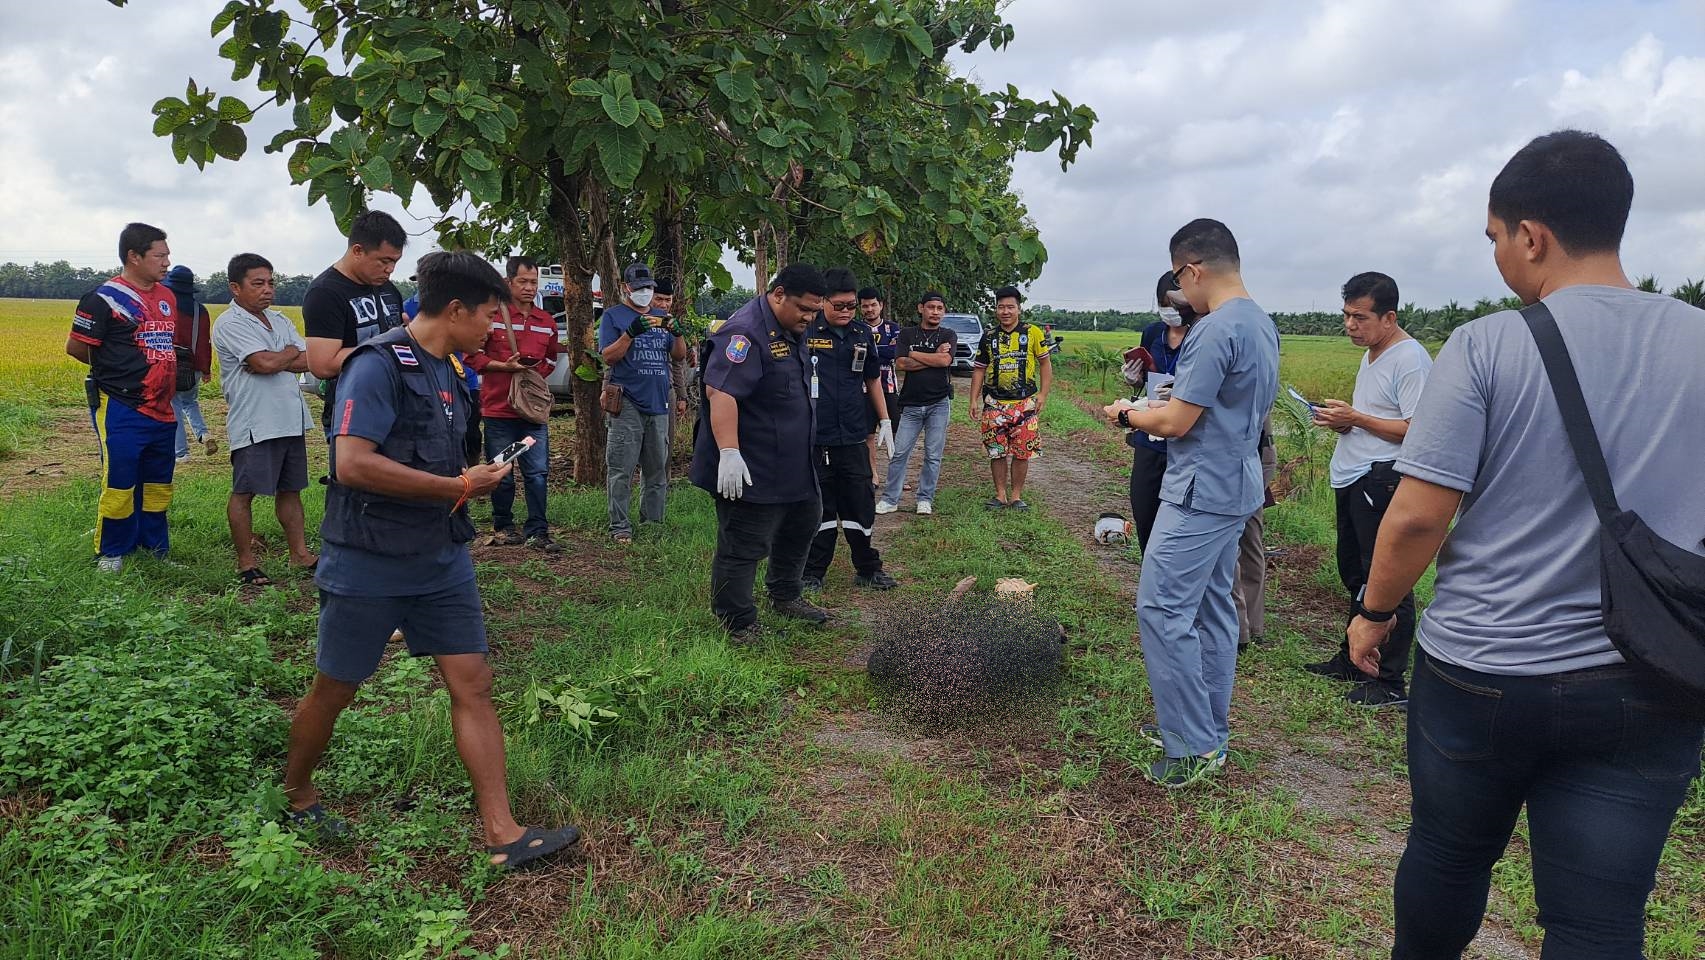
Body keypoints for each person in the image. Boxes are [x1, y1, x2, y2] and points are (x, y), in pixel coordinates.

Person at [1345, 130, 1705, 959]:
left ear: (1531, 235)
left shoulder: (1487, 343)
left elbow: (1414, 517)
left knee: (1445, 855)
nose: (1498, 254)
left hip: (1482, 669)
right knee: (1598, 920)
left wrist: (1373, 613)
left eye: (1495, 237)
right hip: (1651, 674)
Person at [284, 250, 581, 869]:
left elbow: (439, 462)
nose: (493, 331)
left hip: (440, 557)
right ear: (454, 309)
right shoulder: (376, 367)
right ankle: (295, 792)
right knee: (335, 688)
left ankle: (503, 833)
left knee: (473, 683)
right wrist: (457, 487)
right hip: (368, 557)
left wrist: (471, 480)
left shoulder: (449, 369)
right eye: (488, 318)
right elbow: (352, 463)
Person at [1102, 219, 1279, 788]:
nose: (1181, 293)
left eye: (1180, 280)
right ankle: (1207, 731)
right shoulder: (1261, 323)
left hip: (1200, 490)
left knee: (1161, 609)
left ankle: (1193, 744)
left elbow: (1176, 422)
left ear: (1192, 269)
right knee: (1210, 610)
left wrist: (1126, 413)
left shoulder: (1214, 328)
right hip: (1237, 483)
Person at [1305, 271, 1432, 706]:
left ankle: (1390, 681)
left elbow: (1418, 430)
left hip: (1382, 478)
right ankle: (1353, 658)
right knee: (1356, 574)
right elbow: (1380, 419)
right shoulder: (1373, 353)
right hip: (1354, 473)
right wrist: (1345, 422)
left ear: (1389, 317)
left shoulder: (1409, 359)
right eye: (1346, 315)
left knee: (1388, 579)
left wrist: (1357, 419)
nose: (1350, 325)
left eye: (1359, 317)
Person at [689, 264, 831, 644]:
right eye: (804, 308)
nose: (810, 317)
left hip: (792, 460)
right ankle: (735, 619)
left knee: (803, 522)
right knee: (744, 540)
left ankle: (785, 595)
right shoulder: (745, 332)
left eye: (815, 311)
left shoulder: (790, 327)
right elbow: (721, 393)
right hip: (752, 461)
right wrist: (730, 453)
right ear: (779, 293)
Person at [65, 222, 179, 572]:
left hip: (164, 408)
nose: (167, 262)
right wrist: (120, 370)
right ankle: (112, 552)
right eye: (160, 255)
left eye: (167, 255)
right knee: (119, 480)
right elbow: (77, 348)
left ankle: (155, 549)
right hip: (122, 406)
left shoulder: (167, 296)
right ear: (134, 256)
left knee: (159, 483)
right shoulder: (103, 299)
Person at [211, 253, 318, 585]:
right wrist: (284, 355)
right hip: (255, 421)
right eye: (258, 283)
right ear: (235, 287)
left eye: (271, 282)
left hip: (290, 418)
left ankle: (300, 554)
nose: (267, 289)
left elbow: (308, 361)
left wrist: (280, 357)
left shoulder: (281, 319)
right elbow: (263, 364)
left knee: (291, 489)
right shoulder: (230, 323)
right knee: (244, 491)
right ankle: (246, 562)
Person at [801, 268, 897, 592]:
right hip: (817, 436)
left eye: (851, 306)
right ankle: (812, 572)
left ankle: (868, 568)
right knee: (821, 508)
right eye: (838, 305)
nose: (845, 312)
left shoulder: (861, 334)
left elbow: (872, 379)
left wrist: (883, 420)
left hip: (854, 434)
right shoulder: (806, 331)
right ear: (823, 301)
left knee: (860, 504)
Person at [468, 256, 562, 552]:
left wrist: (530, 377)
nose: (529, 287)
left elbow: (550, 358)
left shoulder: (546, 322)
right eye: (523, 281)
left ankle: (538, 529)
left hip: (532, 412)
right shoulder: (492, 317)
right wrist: (503, 367)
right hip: (498, 410)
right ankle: (504, 525)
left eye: (533, 282)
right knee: (501, 471)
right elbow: (473, 356)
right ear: (508, 282)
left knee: (537, 472)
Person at [599, 262, 688, 545]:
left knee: (657, 470)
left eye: (648, 288)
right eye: (639, 289)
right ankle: (620, 526)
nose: (645, 293)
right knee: (621, 469)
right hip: (627, 402)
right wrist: (630, 333)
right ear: (627, 288)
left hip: (659, 402)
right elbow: (608, 357)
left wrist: (677, 332)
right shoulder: (614, 317)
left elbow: (678, 355)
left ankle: (653, 522)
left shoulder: (662, 315)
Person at [303, 210, 408, 437]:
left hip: (395, 404)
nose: (390, 269)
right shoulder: (325, 293)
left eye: (395, 262)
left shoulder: (388, 289)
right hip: (353, 410)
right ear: (358, 251)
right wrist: (387, 349)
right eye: (384, 261)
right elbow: (322, 364)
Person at [1123, 271, 1196, 552]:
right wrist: (1134, 377)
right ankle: (1149, 580)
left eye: (1177, 305)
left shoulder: (1201, 334)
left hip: (1184, 438)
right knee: (1145, 509)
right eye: (1166, 304)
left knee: (1178, 520)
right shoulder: (1153, 332)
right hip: (1150, 434)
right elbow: (1146, 376)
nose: (1172, 312)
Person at [969, 285, 1053, 510]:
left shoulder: (1033, 332)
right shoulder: (988, 337)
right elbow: (978, 369)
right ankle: (1000, 495)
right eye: (1001, 307)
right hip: (994, 404)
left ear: (1019, 309)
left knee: (1022, 451)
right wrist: (973, 400)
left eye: (1010, 307)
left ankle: (1016, 496)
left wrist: (1043, 394)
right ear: (995, 310)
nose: (1005, 312)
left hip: (1024, 403)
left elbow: (1045, 363)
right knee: (996, 451)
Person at [877, 292, 958, 516]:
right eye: (930, 307)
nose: (935, 312)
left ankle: (925, 499)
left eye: (939, 308)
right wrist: (932, 355)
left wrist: (915, 353)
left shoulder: (948, 334)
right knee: (900, 453)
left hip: (938, 404)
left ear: (944, 311)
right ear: (920, 308)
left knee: (933, 454)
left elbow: (945, 361)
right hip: (911, 404)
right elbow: (901, 363)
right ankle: (890, 499)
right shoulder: (907, 333)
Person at [163, 265, 216, 464]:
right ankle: (203, 434)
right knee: (190, 402)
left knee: (173, 405)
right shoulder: (200, 310)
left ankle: (181, 452)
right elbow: (204, 342)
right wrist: (206, 370)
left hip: (169, 365)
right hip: (192, 366)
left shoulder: (165, 306)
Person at [860, 287, 901, 484]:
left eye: (873, 305)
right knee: (869, 434)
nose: (870, 309)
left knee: (896, 432)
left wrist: (870, 351)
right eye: (865, 306)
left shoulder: (893, 328)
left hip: (889, 387)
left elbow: (895, 353)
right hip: (863, 389)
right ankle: (873, 475)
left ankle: (897, 476)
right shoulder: (857, 328)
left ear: (881, 305)